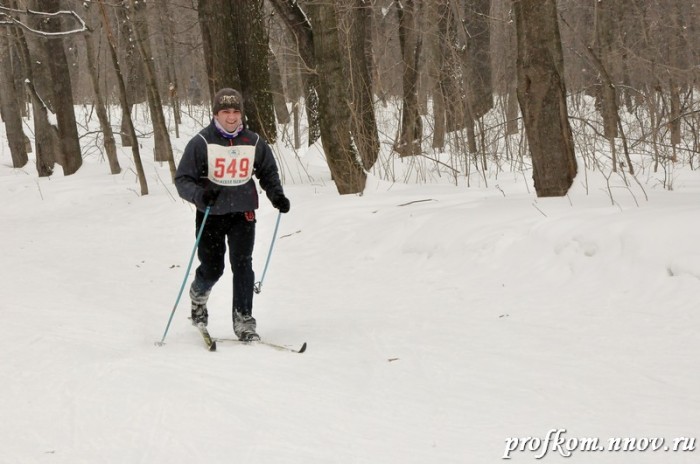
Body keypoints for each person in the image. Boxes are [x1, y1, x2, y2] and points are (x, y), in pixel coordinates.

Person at [175, 88, 290, 341]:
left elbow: (268, 173)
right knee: (213, 267)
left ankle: (244, 320)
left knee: (242, 265)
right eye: (226, 111)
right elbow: (183, 179)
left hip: (243, 212)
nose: (231, 117)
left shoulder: (254, 142)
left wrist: (276, 196)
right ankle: (198, 298)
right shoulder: (201, 143)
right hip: (211, 215)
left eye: (236, 111)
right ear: (216, 113)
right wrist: (200, 195)